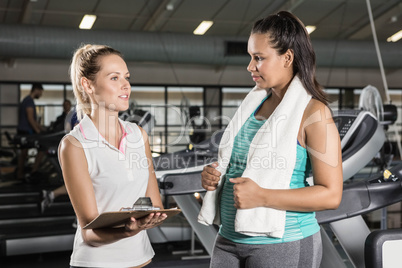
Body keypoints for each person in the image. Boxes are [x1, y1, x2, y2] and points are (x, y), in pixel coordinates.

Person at [198, 11, 343, 268]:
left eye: (259, 58)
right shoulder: (254, 105)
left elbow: (330, 195)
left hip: (285, 241)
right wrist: (215, 174)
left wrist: (263, 196)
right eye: (250, 57)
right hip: (228, 238)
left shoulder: (314, 113)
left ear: (287, 57)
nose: (250, 67)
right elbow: (240, 163)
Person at [58, 44, 167, 268]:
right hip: (97, 263)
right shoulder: (75, 145)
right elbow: (89, 232)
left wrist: (150, 218)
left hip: (142, 259)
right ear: (87, 84)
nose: (126, 85)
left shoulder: (139, 135)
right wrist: (128, 230)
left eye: (126, 77)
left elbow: (155, 204)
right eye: (114, 78)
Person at [16, 83, 46, 180]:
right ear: (36, 90)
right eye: (40, 92)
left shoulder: (28, 100)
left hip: (25, 131)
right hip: (25, 132)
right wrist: (38, 131)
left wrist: (42, 129)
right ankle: (33, 171)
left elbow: (34, 121)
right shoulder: (29, 101)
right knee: (41, 148)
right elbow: (30, 119)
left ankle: (24, 173)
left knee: (24, 154)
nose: (40, 94)